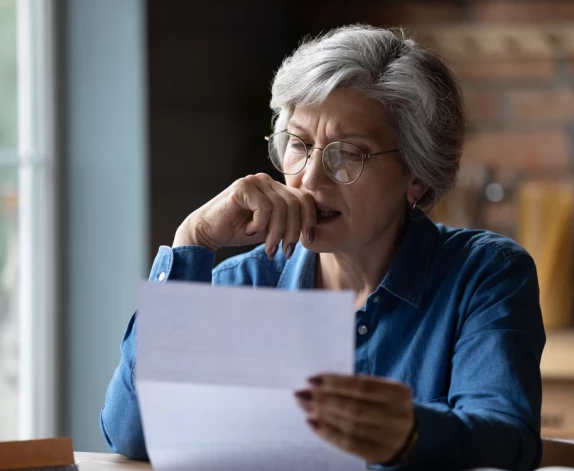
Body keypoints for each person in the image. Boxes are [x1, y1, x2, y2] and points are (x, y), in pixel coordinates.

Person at [101, 25, 545, 470]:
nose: (310, 180)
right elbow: (132, 434)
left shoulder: (485, 275)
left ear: (418, 174)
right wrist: (193, 238)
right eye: (298, 145)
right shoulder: (245, 284)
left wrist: (411, 433)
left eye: (348, 154)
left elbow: (508, 441)